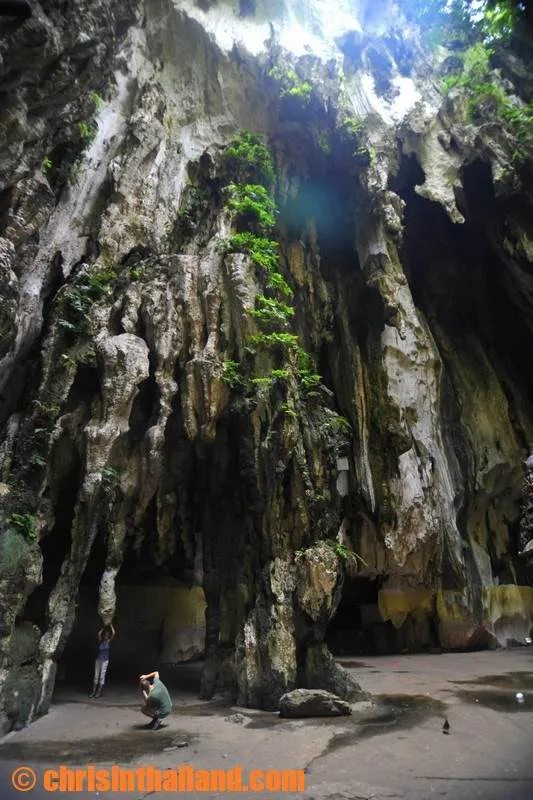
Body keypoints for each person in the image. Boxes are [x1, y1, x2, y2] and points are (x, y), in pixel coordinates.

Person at [89, 623, 115, 698]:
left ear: (108, 636)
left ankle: (98, 692)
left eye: (107, 635)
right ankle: (93, 692)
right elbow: (99, 633)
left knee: (101, 677)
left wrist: (110, 624)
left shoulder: (109, 642)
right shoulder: (101, 641)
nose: (106, 636)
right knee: (96, 676)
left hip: (105, 661)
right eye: (105, 635)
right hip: (98, 660)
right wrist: (104, 627)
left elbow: (114, 633)